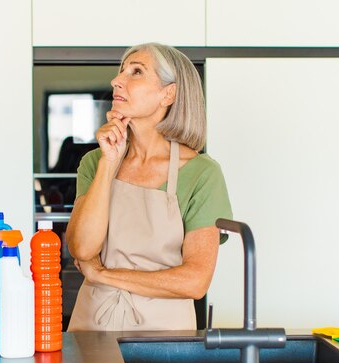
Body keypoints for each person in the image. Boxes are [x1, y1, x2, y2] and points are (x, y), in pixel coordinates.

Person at [66, 43, 232, 331]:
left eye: (136, 71)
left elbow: (195, 281)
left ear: (168, 94)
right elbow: (82, 247)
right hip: (91, 329)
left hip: (163, 340)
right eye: (121, 72)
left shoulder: (202, 174)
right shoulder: (95, 162)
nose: (116, 80)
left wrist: (104, 275)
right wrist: (109, 161)